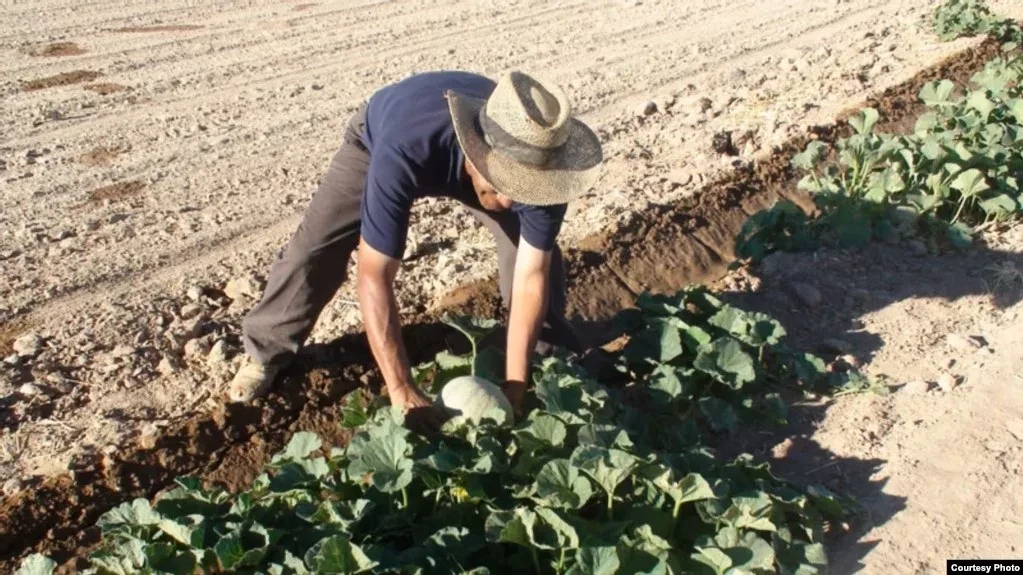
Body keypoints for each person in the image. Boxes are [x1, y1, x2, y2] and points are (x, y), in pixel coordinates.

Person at [227, 69, 602, 416]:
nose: (507, 201)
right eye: (502, 183)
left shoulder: (543, 171)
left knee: (529, 254)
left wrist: (516, 384)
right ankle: (265, 351)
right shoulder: (406, 147)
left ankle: (547, 361)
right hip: (381, 136)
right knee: (317, 246)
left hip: (483, 154)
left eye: (520, 188)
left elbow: (531, 276)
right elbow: (374, 275)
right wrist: (401, 387)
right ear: (476, 154)